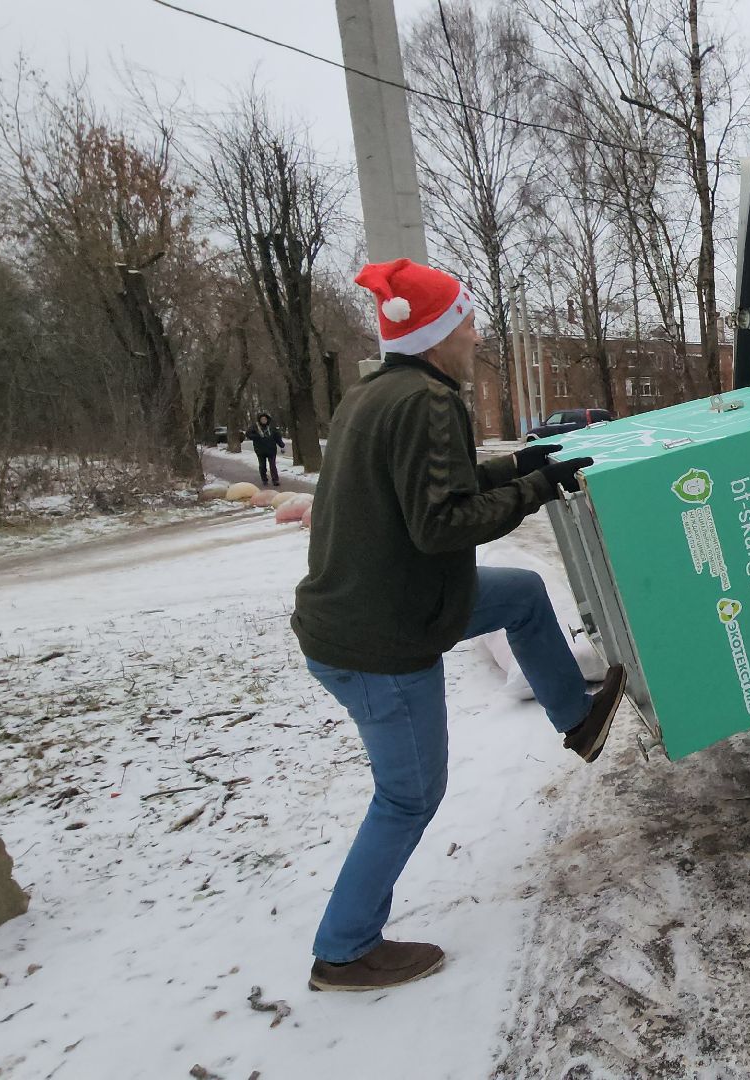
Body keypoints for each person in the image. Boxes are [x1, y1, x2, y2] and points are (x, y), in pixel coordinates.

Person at [291, 257, 626, 993]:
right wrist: (538, 489)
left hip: (385, 601)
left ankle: (578, 720)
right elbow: (441, 523)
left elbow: (439, 482)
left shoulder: (378, 394)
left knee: (522, 593)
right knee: (408, 796)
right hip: (381, 636)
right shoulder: (428, 403)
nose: (476, 335)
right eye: (467, 321)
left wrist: (519, 466)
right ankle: (345, 950)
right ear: (439, 332)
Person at [245, 413, 284, 486]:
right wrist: (257, 436)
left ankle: (275, 480)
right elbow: (248, 434)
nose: (264, 420)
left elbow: (277, 437)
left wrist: (282, 446)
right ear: (260, 420)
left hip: (271, 450)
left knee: (273, 465)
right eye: (262, 419)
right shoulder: (255, 427)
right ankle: (264, 479)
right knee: (262, 466)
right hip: (260, 450)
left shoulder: (271, 427)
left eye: (265, 419)